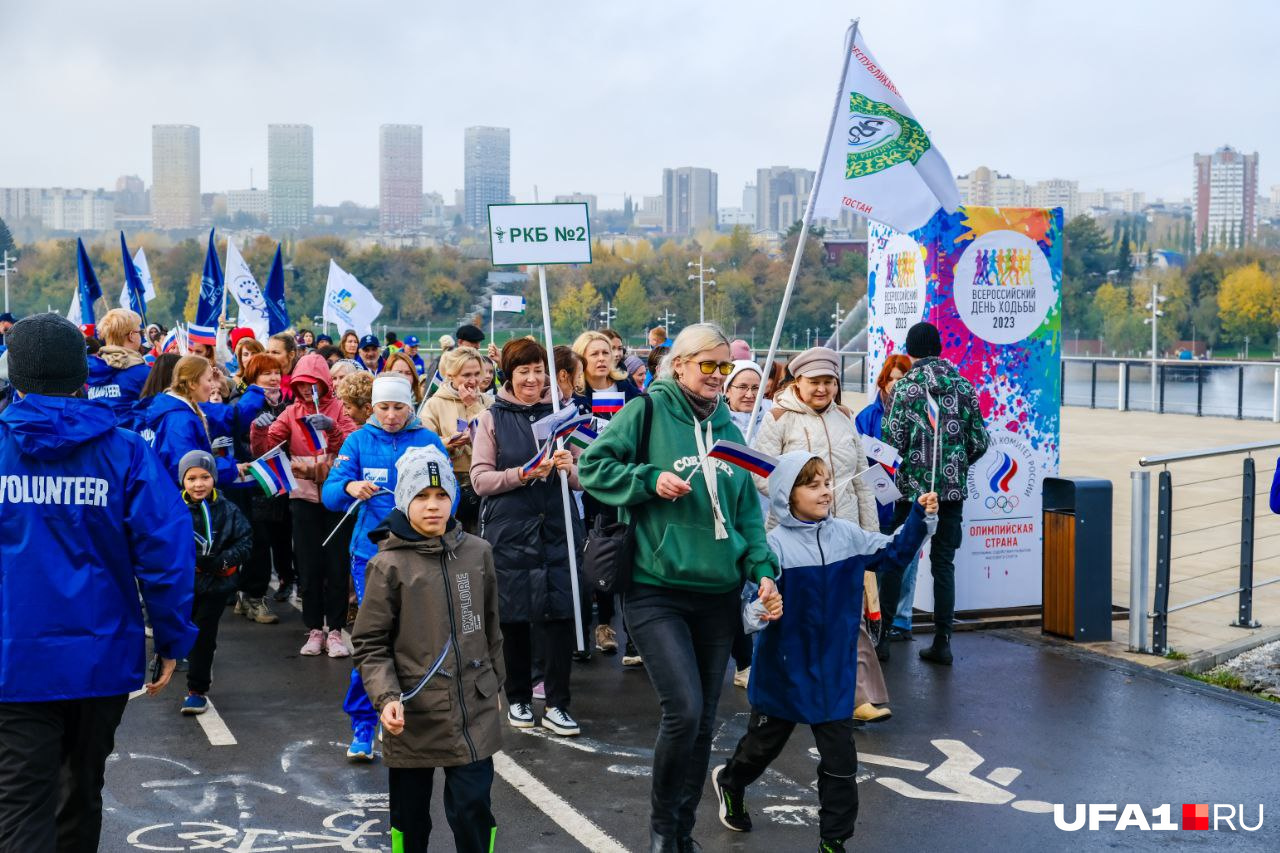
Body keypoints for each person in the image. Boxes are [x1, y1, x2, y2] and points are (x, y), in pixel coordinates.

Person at [577, 323, 781, 851]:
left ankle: (683, 833)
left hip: (718, 592)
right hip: (654, 587)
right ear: (680, 364)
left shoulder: (730, 429)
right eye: (707, 365)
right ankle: (664, 834)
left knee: (703, 720)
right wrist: (647, 479)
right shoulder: (645, 410)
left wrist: (762, 570)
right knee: (684, 709)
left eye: (723, 367)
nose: (716, 375)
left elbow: (747, 514)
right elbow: (593, 465)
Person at [0, 313, 198, 851]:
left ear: (14, 376)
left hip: (13, 661)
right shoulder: (125, 449)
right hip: (99, 655)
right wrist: (173, 639)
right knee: (82, 793)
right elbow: (167, 552)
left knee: (20, 803)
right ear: (81, 375)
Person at [711, 452, 937, 852]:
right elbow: (744, 616)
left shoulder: (848, 535)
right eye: (812, 485)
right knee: (760, 749)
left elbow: (894, 554)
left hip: (835, 674)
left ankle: (833, 842)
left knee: (840, 765)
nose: (825, 491)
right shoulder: (770, 548)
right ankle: (731, 780)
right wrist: (761, 610)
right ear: (786, 495)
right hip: (783, 673)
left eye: (827, 482)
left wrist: (920, 518)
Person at [352, 445, 503, 853]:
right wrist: (385, 698)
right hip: (413, 712)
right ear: (404, 500)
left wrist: (494, 686)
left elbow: (491, 629)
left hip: (474, 709)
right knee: (410, 816)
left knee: (473, 808)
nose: (433, 506)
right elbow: (369, 643)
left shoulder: (477, 553)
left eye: (441, 495)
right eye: (421, 496)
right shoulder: (389, 565)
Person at [751, 346, 891, 719]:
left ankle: (859, 697)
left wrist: (869, 533)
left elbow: (862, 479)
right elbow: (759, 474)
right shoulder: (778, 417)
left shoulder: (845, 417)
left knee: (850, 616)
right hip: (791, 535)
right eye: (814, 382)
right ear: (798, 382)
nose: (822, 389)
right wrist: (795, 494)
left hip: (842, 535)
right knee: (795, 619)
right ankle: (785, 692)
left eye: (829, 382)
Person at [322, 375, 448, 760]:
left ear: (411, 406)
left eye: (398, 407)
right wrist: (349, 488)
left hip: (422, 553)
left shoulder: (427, 440)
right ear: (372, 408)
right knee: (375, 640)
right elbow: (329, 493)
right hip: (370, 555)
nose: (391, 416)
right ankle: (363, 723)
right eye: (383, 407)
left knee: (420, 640)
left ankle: (413, 713)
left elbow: (450, 497)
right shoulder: (358, 440)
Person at [470, 338, 584, 738]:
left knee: (559, 616)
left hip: (556, 526)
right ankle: (517, 696)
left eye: (539, 370)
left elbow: (583, 478)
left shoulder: (565, 415)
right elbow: (480, 479)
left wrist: (570, 468)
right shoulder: (490, 419)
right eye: (524, 371)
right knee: (514, 617)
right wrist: (523, 474)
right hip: (510, 529)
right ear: (509, 375)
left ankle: (558, 704)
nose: (533, 379)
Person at [882, 322, 990, 665]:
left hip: (909, 493)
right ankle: (942, 642)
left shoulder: (905, 388)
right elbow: (979, 441)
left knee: (895, 561)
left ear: (910, 350)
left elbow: (892, 442)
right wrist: (955, 467)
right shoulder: (963, 386)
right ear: (940, 348)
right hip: (951, 494)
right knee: (944, 565)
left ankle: (882, 637)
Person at [251, 352, 357, 657]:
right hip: (303, 500)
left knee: (337, 567)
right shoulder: (290, 412)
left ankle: (335, 630)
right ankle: (314, 628)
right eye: (300, 385)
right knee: (308, 567)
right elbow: (266, 450)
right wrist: (259, 429)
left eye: (312, 384)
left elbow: (351, 446)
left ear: (323, 384)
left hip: (338, 499)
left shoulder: (339, 409)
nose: (306, 391)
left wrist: (332, 428)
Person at [571, 331, 644, 663]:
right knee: (602, 548)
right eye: (593, 353)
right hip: (595, 482)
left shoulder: (629, 391)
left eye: (606, 352)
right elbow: (573, 435)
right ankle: (603, 625)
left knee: (631, 548)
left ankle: (634, 633)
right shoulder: (576, 397)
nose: (601, 358)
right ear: (582, 359)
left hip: (628, 478)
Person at [176, 450, 252, 716]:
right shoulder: (172, 508)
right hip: (182, 586)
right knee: (182, 631)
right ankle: (177, 656)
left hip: (217, 585)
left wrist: (222, 561)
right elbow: (159, 543)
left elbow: (245, 541)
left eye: (205, 477)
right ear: (182, 481)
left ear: (214, 478)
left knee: (203, 634)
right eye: (192, 478)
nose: (199, 484)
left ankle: (197, 690)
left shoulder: (228, 509)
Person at [856, 354, 918, 654]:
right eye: (893, 378)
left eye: (903, 378)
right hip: (878, 498)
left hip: (907, 498)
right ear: (883, 380)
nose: (897, 384)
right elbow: (858, 458)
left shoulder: (918, 415)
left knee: (908, 558)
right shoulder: (868, 415)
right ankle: (875, 618)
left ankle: (902, 620)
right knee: (879, 560)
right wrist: (880, 489)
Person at [139, 355, 265, 486]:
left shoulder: (185, 409)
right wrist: (230, 467)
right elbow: (187, 467)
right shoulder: (179, 421)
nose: (212, 386)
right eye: (209, 380)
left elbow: (229, 417)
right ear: (192, 384)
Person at [237, 353, 294, 616]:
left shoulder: (276, 401)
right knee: (260, 542)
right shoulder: (252, 402)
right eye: (266, 373)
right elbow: (246, 444)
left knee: (270, 540)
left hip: (273, 480)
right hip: (257, 481)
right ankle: (254, 598)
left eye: (276, 373)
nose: (273, 378)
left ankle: (247, 595)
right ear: (253, 376)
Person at [417, 346, 491, 533]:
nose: (473, 381)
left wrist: (473, 405)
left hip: (484, 484)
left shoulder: (488, 402)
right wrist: (448, 443)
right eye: (466, 375)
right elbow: (423, 444)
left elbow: (496, 434)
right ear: (451, 375)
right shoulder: (435, 404)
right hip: (450, 484)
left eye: (477, 374)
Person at [86, 308, 150, 428]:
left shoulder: (92, 371)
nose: (141, 335)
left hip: (99, 441)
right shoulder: (142, 373)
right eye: (139, 331)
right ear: (131, 336)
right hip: (132, 442)